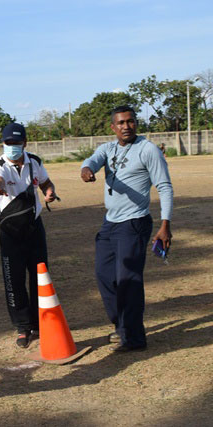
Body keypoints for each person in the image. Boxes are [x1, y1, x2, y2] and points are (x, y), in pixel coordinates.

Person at [81, 105, 173, 352]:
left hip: (134, 223)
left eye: (130, 121)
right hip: (110, 222)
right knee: (104, 275)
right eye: (121, 123)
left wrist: (165, 224)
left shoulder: (148, 150)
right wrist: (86, 169)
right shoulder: (108, 148)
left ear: (136, 123)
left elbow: (164, 187)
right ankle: (121, 325)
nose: (126, 126)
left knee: (128, 280)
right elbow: (92, 160)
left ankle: (134, 338)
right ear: (113, 127)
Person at [0, 123, 58, 348]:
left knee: (40, 277)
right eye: (8, 143)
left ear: (25, 143)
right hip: (11, 232)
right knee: (14, 280)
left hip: (34, 228)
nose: (12, 146)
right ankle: (22, 327)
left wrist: (49, 191)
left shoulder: (35, 162)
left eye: (16, 143)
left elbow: (45, 182)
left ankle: (41, 323)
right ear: (3, 143)